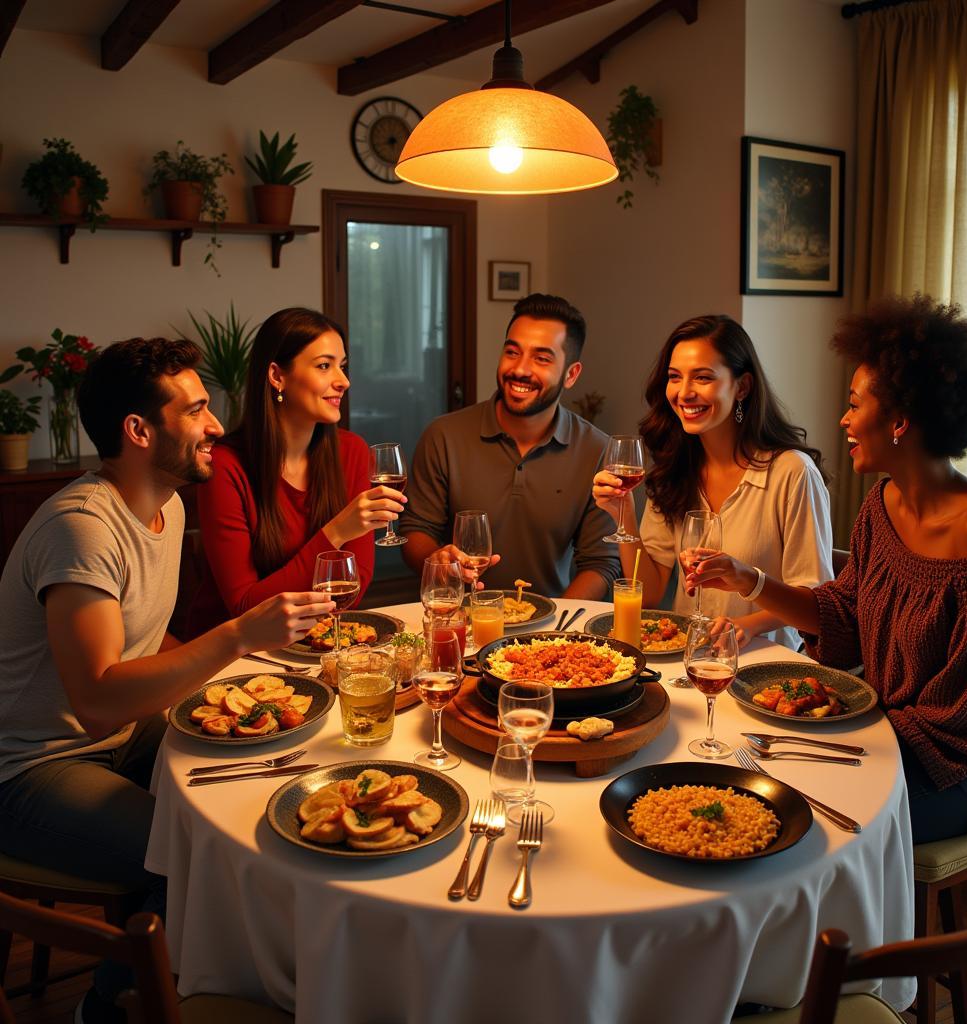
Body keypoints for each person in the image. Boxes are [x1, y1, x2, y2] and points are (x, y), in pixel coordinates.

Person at [0, 337, 335, 1022]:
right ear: (139, 431)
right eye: (198, 411)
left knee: (275, 774)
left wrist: (253, 675)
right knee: (194, 853)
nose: (216, 426)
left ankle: (237, 983)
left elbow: (150, 646)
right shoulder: (83, 529)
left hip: (120, 733)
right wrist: (238, 636)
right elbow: (96, 700)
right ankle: (112, 1007)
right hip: (33, 766)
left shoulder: (168, 504)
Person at [689, 295, 967, 914]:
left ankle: (841, 976)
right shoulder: (882, 505)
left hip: (960, 771)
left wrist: (850, 732)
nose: (842, 419)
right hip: (889, 736)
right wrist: (749, 579)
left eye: (853, 404)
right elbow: (843, 616)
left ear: (898, 419)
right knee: (752, 769)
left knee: (793, 817)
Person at [593, 314, 832, 648]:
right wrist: (623, 514)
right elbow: (647, 593)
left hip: (765, 667)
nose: (685, 393)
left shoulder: (792, 472)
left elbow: (816, 601)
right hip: (690, 659)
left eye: (703, 378)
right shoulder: (675, 470)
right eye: (675, 377)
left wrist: (747, 625)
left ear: (742, 387)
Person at [187, 308, 405, 637]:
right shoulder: (225, 466)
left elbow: (352, 590)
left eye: (342, 367)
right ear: (277, 376)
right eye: (324, 366)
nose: (343, 381)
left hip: (314, 642)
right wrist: (336, 533)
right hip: (232, 655)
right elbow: (246, 607)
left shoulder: (352, 453)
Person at [400, 293, 620, 598]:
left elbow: (600, 563)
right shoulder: (443, 435)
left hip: (553, 626)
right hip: (459, 618)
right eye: (512, 352)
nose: (520, 369)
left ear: (571, 374)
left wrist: (556, 633)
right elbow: (415, 530)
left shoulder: (598, 451)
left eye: (542, 358)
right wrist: (436, 559)